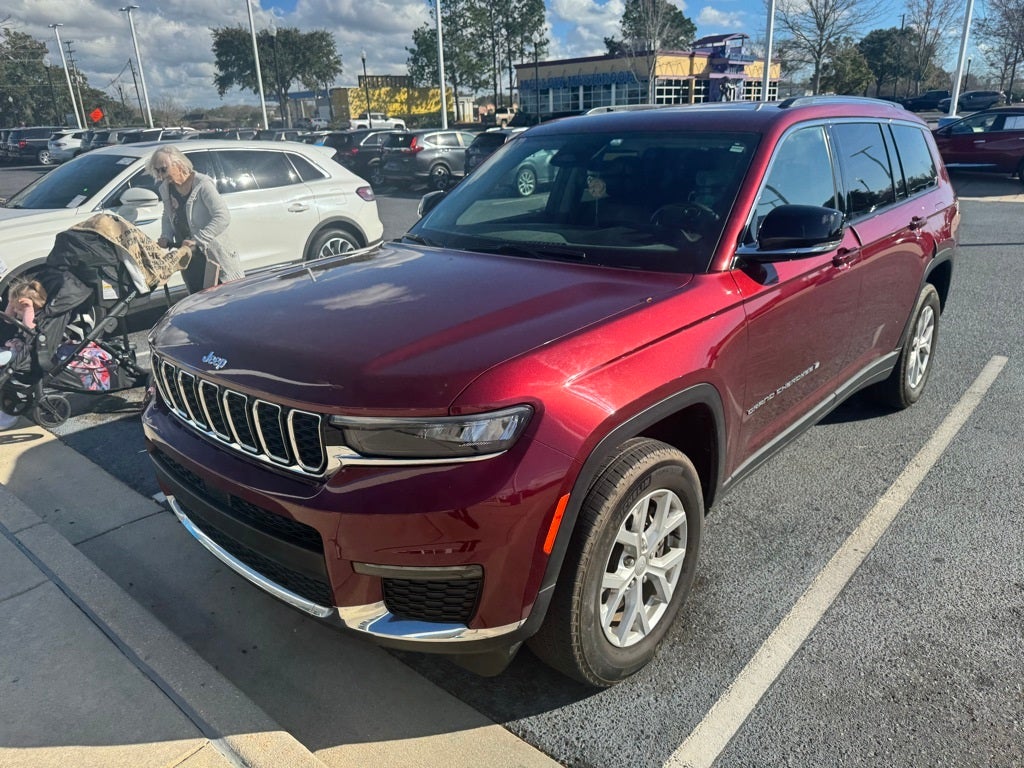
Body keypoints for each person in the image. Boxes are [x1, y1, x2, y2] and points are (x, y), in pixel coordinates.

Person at [146, 145, 243, 293]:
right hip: (188, 257)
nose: (160, 175)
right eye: (157, 171)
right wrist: (166, 236)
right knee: (197, 298)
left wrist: (198, 239)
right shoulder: (166, 188)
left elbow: (222, 216)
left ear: (179, 164)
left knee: (223, 297)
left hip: (213, 256)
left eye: (163, 169)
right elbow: (168, 215)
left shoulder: (202, 184)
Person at [0, 277, 47, 366]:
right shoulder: (18, 315)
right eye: (14, 308)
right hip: (8, 346)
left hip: (19, 353)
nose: (16, 311)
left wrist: (28, 309)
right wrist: (11, 303)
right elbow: (7, 319)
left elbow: (28, 328)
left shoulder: (36, 319)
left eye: (19, 309)